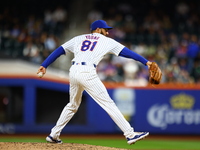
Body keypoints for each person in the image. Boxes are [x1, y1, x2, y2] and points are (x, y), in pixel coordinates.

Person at [37, 20, 151, 145]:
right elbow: (128, 53)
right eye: (105, 29)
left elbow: (59, 50)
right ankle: (130, 134)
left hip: (74, 71)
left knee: (72, 105)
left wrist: (44, 65)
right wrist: (146, 62)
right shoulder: (106, 41)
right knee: (108, 103)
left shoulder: (78, 38)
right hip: (87, 72)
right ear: (97, 29)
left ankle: (54, 134)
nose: (107, 32)